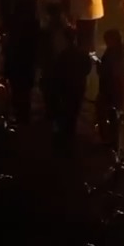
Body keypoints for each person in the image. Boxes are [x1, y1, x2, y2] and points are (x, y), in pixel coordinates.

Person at [47, 25, 91, 154]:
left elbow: (57, 72)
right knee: (73, 114)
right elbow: (87, 69)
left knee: (63, 114)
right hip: (78, 87)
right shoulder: (82, 53)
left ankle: (62, 142)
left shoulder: (63, 54)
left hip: (65, 89)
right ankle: (70, 139)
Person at [95, 28, 124, 151]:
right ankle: (112, 143)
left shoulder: (114, 54)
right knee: (114, 118)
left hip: (110, 91)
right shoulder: (122, 52)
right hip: (117, 91)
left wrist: (99, 66)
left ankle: (109, 142)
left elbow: (109, 71)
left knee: (107, 115)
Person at [3, 7, 39, 125]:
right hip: (24, 70)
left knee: (19, 95)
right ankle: (23, 119)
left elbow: (9, 52)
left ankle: (21, 119)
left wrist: (7, 70)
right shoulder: (31, 32)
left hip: (19, 70)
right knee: (23, 96)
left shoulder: (16, 35)